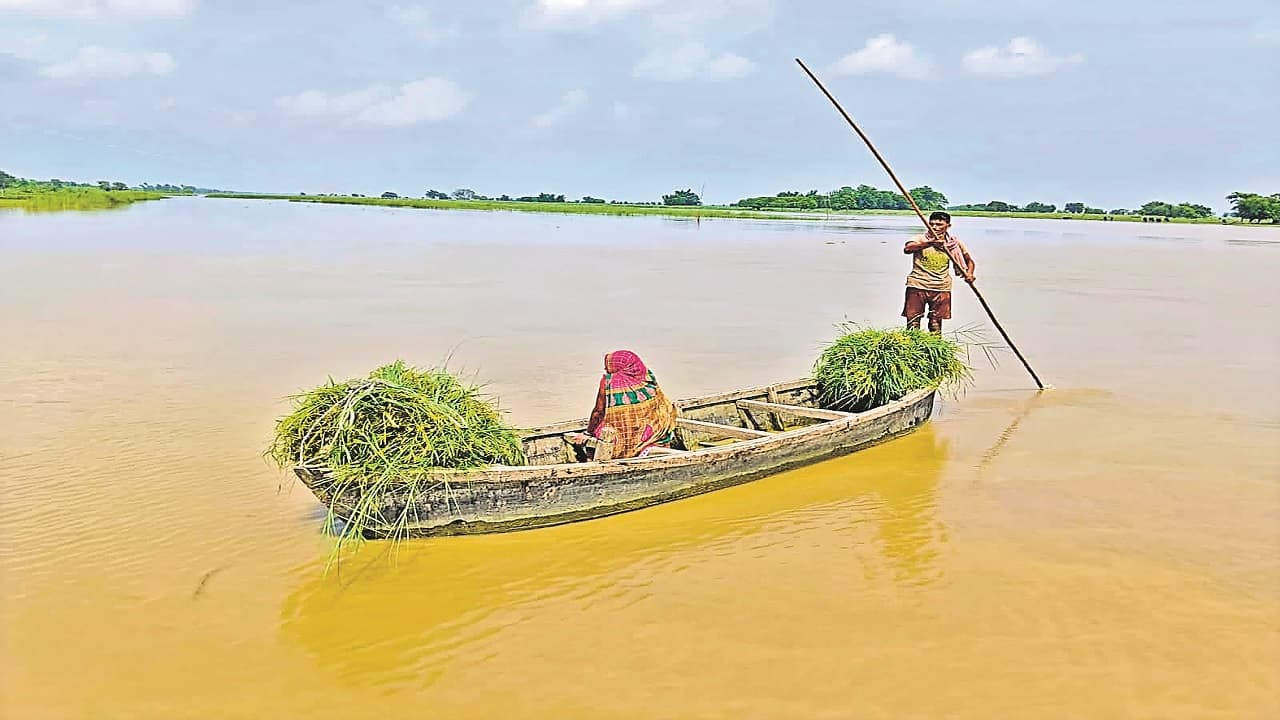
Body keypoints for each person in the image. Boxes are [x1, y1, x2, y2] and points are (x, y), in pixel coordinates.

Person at [566, 350, 679, 459]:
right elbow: (662, 406)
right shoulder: (647, 377)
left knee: (599, 432)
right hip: (651, 433)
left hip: (620, 439)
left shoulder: (607, 382)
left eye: (608, 365)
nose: (605, 368)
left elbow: (598, 412)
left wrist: (588, 433)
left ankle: (594, 458)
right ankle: (649, 447)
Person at [902, 211, 976, 335]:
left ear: (948, 226)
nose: (935, 227)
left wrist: (970, 274)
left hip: (941, 286)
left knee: (935, 323)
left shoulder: (954, 243)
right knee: (913, 322)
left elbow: (969, 261)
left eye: (939, 224)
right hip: (917, 284)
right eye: (932, 224)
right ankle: (911, 348)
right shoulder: (921, 239)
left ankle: (935, 349)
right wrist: (930, 243)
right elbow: (908, 249)